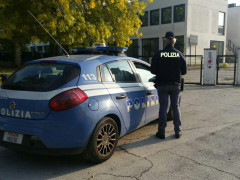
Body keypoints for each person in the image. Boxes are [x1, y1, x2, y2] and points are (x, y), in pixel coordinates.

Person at [150, 31, 187, 139]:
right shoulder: (179, 54)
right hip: (175, 85)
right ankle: (178, 131)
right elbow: (184, 72)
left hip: (162, 85)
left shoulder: (158, 54)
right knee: (175, 107)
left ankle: (161, 132)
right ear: (174, 41)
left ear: (165, 41)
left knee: (163, 108)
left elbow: (152, 70)